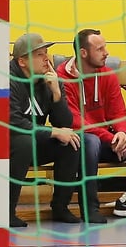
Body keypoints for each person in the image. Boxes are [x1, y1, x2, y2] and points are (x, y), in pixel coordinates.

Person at [58, 29, 126, 222]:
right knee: (90, 142)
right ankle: (90, 209)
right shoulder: (63, 78)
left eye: (105, 47)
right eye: (99, 49)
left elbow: (118, 112)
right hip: (77, 142)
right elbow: (75, 121)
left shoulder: (107, 74)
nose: (106, 53)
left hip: (108, 140)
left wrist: (122, 133)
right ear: (83, 53)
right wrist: (110, 137)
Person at [9, 33, 83, 227]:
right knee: (24, 141)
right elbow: (13, 122)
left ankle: (60, 207)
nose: (46, 59)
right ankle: (6, 211)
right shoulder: (7, 80)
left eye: (46, 53)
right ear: (22, 61)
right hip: (6, 143)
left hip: (34, 141)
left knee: (72, 142)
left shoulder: (51, 80)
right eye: (40, 54)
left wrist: (56, 93)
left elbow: (65, 124)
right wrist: (54, 132)